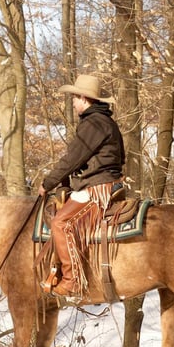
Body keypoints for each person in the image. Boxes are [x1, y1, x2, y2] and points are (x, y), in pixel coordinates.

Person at [38, 74, 125, 298]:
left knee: (60, 222)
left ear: (85, 98)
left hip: (98, 188)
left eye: (75, 98)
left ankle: (72, 281)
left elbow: (72, 158)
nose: (74, 102)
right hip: (103, 182)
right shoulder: (104, 122)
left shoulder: (94, 123)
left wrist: (48, 183)